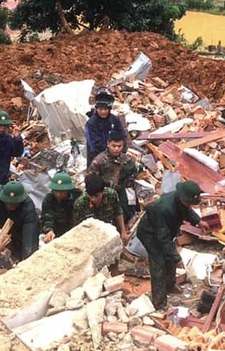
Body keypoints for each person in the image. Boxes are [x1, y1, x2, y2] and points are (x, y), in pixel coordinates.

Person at [136, 181, 206, 310]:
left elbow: (186, 211)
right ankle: (159, 302)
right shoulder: (164, 208)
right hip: (150, 233)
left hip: (164, 232)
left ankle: (170, 285)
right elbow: (162, 238)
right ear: (182, 198)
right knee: (158, 262)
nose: (190, 205)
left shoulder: (181, 199)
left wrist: (198, 221)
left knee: (170, 258)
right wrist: (177, 257)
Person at [87, 130, 142, 223]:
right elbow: (90, 178)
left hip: (124, 192)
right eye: (114, 146)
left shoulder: (126, 159)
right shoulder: (100, 160)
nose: (116, 149)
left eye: (119, 146)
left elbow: (134, 172)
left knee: (126, 214)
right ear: (108, 144)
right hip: (106, 195)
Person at [0, 181, 39, 262]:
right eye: (8, 203)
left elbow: (29, 235)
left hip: (18, 234)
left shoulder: (28, 207)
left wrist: (27, 258)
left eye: (14, 204)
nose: (10, 206)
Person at [74, 174, 128, 243]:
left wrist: (123, 231)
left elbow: (118, 212)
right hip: (91, 236)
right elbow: (79, 227)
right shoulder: (80, 203)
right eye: (90, 195)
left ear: (103, 191)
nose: (93, 199)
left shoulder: (111, 195)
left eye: (97, 196)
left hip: (110, 230)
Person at [85, 88, 126, 166]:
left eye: (105, 109)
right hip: (97, 160)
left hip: (115, 156)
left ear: (109, 109)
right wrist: (109, 153)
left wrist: (121, 151)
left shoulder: (114, 120)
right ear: (96, 108)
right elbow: (94, 145)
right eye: (100, 109)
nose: (103, 112)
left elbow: (122, 136)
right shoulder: (91, 123)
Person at [41, 172, 83, 243]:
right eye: (56, 191)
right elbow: (47, 217)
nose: (58, 194)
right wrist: (49, 230)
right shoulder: (49, 199)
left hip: (76, 231)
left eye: (61, 192)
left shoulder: (77, 196)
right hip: (57, 232)